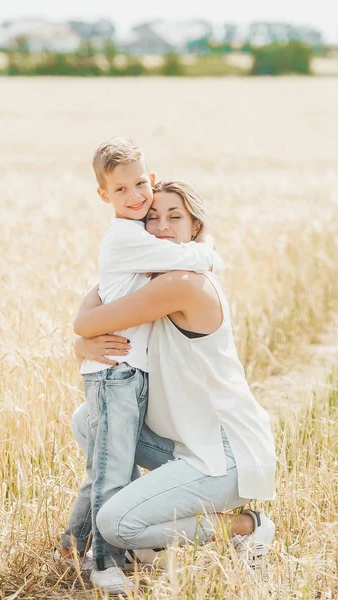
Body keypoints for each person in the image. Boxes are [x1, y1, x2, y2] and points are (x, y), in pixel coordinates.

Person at [70, 180, 277, 592]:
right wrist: (83, 341)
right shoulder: (151, 279)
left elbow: (88, 318)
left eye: (174, 217)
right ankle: (147, 521)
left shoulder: (182, 283)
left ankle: (244, 527)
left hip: (227, 455)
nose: (161, 226)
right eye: (152, 218)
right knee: (87, 419)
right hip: (189, 444)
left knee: (113, 523)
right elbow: (97, 303)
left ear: (195, 227)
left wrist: (81, 338)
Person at [59, 138, 222, 595]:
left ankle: (73, 545)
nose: (134, 197)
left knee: (105, 465)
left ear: (150, 181)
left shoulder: (139, 235)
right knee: (112, 470)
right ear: (103, 197)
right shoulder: (128, 237)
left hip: (125, 371)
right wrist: (211, 253)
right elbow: (182, 258)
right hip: (117, 373)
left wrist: (81, 336)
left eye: (139, 185)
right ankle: (104, 561)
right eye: (120, 190)